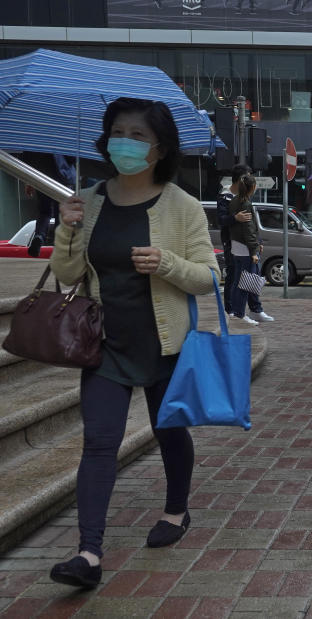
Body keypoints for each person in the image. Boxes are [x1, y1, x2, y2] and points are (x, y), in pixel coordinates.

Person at [48, 97, 220, 589]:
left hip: (165, 343)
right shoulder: (90, 200)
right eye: (118, 131)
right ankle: (88, 553)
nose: (125, 141)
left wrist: (165, 263)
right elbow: (67, 274)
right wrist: (67, 229)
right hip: (104, 343)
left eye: (138, 135)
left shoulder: (182, 206)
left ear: (159, 148)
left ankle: (176, 510)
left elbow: (208, 278)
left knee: (169, 431)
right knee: (100, 442)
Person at [218, 164, 272, 323]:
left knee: (250, 278)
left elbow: (251, 226)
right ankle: (234, 312)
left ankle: (255, 309)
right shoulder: (226, 197)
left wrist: (258, 242)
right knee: (237, 278)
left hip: (246, 245)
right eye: (248, 177)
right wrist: (235, 218)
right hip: (236, 245)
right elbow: (222, 220)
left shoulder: (242, 200)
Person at [228, 175, 268, 325]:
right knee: (245, 283)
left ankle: (240, 312)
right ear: (253, 187)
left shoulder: (235, 201)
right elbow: (248, 229)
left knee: (238, 281)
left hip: (237, 247)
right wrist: (254, 250)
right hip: (246, 249)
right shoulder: (245, 204)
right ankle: (240, 314)